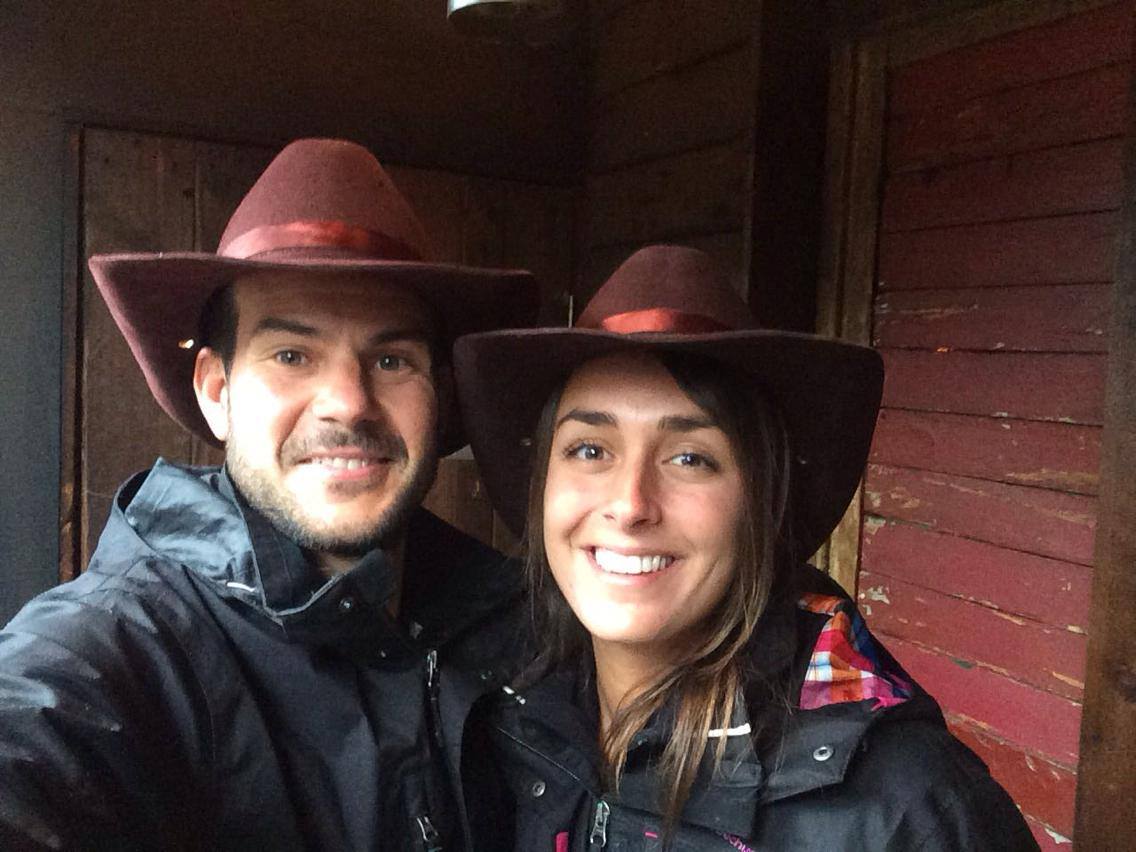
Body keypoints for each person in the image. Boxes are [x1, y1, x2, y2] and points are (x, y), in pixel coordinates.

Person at [0, 139, 538, 850]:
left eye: (390, 359)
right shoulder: (119, 645)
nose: (349, 402)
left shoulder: (518, 618)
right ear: (217, 392)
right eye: (292, 355)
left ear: (436, 398)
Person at [453, 245, 1038, 850]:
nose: (629, 505)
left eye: (690, 458)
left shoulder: (908, 811)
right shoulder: (500, 718)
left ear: (760, 504)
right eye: (590, 450)